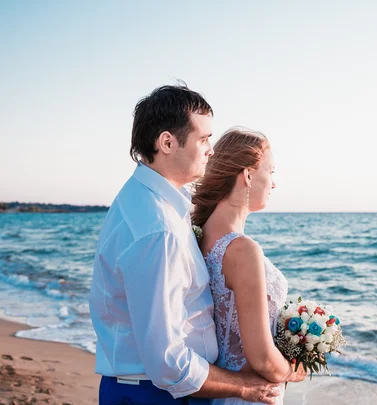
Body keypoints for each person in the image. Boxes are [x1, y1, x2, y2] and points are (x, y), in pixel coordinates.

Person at [88, 84, 282, 405]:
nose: (211, 150)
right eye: (203, 139)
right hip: (154, 395)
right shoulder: (158, 229)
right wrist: (244, 387)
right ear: (167, 142)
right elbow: (167, 361)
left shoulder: (151, 202)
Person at [190, 128, 307, 405]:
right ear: (248, 175)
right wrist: (294, 371)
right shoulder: (242, 250)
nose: (274, 184)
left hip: (223, 392)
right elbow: (262, 358)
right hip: (251, 396)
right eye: (271, 172)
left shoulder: (199, 237)